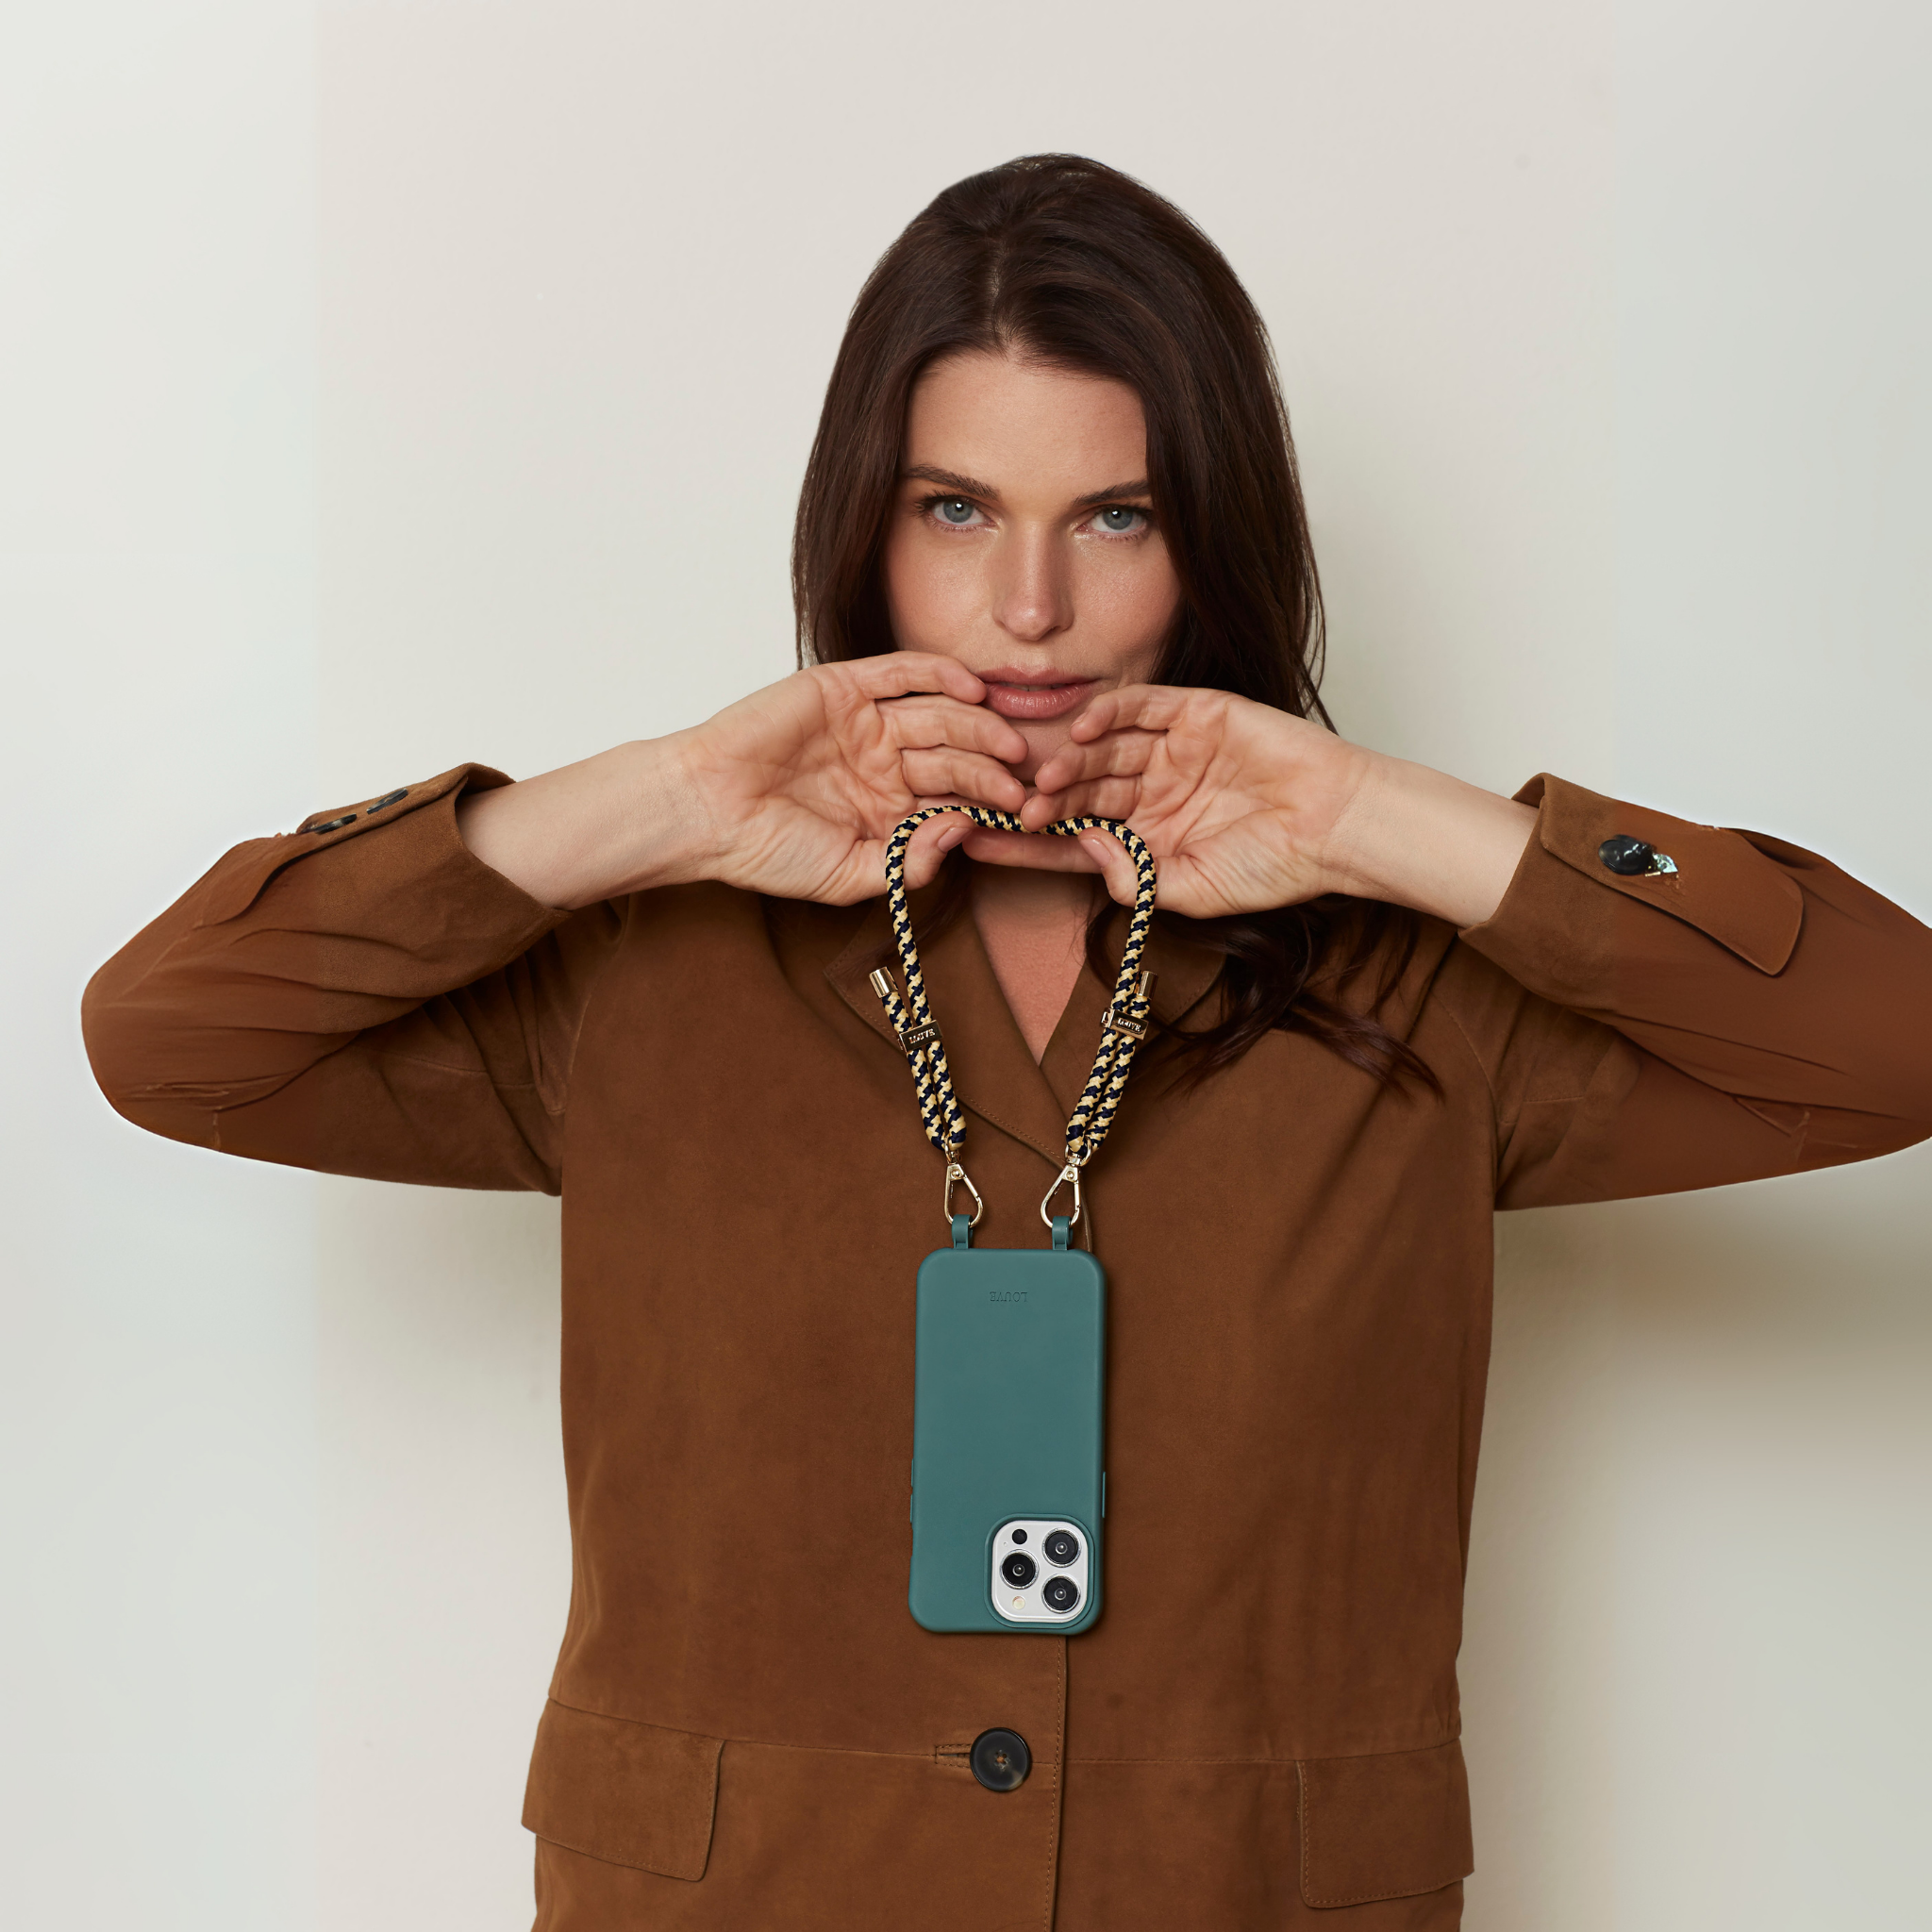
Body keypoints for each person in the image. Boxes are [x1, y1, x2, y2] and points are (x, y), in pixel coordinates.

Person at [82, 154, 1932, 1929]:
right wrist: (673, 795)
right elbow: (176, 1032)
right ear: (863, 530)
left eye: (1116, 516)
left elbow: (1889, 1042)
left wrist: (1372, 815)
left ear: (1210, 541)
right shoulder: (639, 968)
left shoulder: (1421, 987)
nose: (1029, 612)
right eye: (953, 510)